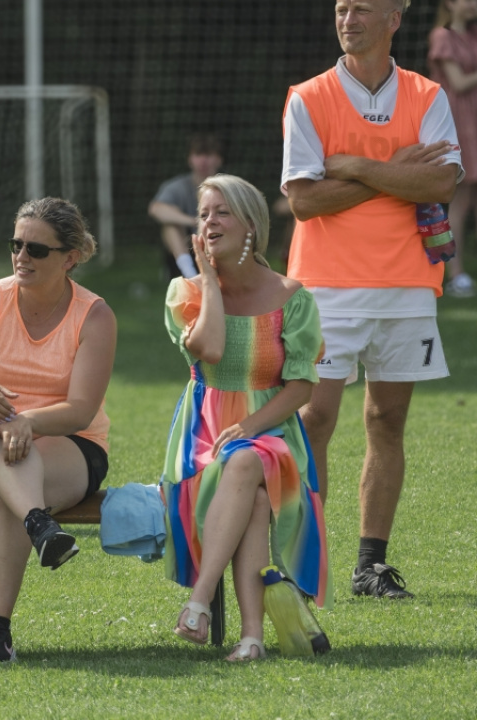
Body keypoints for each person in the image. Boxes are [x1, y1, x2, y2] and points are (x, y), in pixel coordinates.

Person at [283, 0, 460, 599]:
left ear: (395, 18)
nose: (347, 18)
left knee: (387, 422)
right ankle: (307, 563)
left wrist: (356, 167)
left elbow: (440, 180)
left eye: (362, 8)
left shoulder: (427, 95)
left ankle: (370, 567)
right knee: (314, 421)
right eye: (340, 8)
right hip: (327, 287)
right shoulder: (308, 97)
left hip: (409, 285)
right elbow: (305, 201)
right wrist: (392, 171)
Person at [0, 197, 115, 663]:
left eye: (37, 250)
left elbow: (80, 411)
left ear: (70, 258)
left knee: (6, 484)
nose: (22, 257)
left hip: (67, 446)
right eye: (16, 244)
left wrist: (28, 422)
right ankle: (39, 524)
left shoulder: (95, 315)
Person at [163, 175, 329, 662]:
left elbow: (301, 386)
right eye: (203, 214)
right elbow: (208, 348)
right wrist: (211, 281)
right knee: (252, 498)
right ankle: (252, 637)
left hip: (274, 432)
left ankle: (199, 602)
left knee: (245, 463)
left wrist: (254, 427)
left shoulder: (292, 297)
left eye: (222, 212)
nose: (209, 222)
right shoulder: (186, 291)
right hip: (202, 435)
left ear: (252, 225)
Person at [430, 0, 477, 297]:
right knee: (459, 201)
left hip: (474, 120)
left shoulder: (473, 37)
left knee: (469, 201)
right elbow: (458, 83)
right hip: (457, 123)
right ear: (449, 3)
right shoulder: (441, 37)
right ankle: (455, 275)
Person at [149, 134, 225, 280]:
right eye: (198, 154)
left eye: (208, 155)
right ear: (190, 159)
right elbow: (156, 209)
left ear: (219, 159)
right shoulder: (177, 186)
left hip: (220, 241)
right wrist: (193, 221)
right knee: (170, 226)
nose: (203, 161)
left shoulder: (231, 188)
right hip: (189, 246)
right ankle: (189, 273)